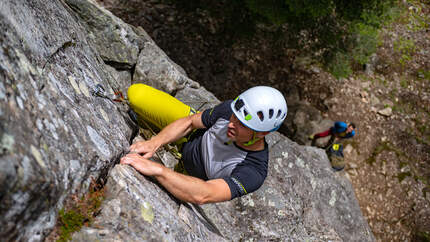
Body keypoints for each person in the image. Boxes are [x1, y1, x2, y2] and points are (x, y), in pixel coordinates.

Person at [120, 84, 287, 204]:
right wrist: (154, 143)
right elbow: (191, 122)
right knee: (137, 94)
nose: (231, 123)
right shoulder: (231, 110)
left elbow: (205, 194)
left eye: (242, 124)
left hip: (191, 175)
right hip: (190, 134)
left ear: (262, 133)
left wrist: (158, 170)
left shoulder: (253, 171)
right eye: (235, 116)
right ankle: (144, 123)